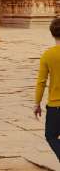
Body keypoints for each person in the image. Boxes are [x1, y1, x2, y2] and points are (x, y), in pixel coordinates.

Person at [34, 17, 60, 161]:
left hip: (55, 106)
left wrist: (37, 103)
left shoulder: (47, 55)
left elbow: (41, 82)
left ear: (51, 33)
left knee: (51, 136)